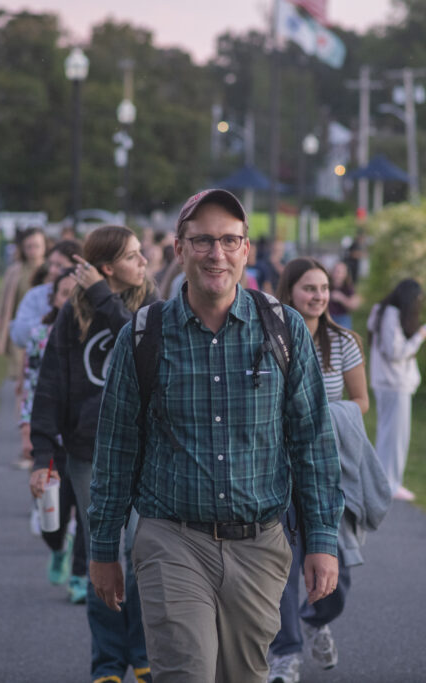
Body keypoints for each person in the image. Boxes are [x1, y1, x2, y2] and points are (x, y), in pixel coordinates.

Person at [86, 189, 343, 683]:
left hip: (260, 544)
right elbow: (116, 449)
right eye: (202, 240)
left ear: (247, 249)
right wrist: (102, 548)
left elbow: (312, 442)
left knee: (244, 675)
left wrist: (322, 540)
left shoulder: (284, 330)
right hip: (171, 539)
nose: (216, 254)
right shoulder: (143, 334)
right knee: (186, 673)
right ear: (179, 248)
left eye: (229, 240)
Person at [29, 225, 155, 683]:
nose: (144, 262)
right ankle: (107, 665)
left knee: (141, 554)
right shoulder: (72, 315)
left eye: (143, 254)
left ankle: (143, 655)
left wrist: (105, 298)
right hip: (87, 452)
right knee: (102, 553)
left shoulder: (151, 310)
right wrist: (43, 453)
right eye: (133, 256)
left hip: (143, 450)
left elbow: (141, 346)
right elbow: (51, 385)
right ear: (107, 268)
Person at [267, 258, 379, 683]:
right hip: (276, 469)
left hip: (329, 467)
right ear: (289, 291)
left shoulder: (345, 341)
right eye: (308, 288)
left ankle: (316, 620)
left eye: (323, 288)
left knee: (338, 570)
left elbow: (362, 402)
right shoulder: (271, 336)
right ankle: (286, 652)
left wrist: (317, 415)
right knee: (283, 567)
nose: (318, 296)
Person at [18, 269, 88, 600]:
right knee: (51, 521)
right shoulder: (40, 334)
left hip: (86, 444)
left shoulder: (96, 334)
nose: (71, 300)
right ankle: (59, 546)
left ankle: (79, 577)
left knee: (89, 515)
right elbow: (32, 386)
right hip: (51, 443)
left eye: (78, 293)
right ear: (54, 298)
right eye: (64, 293)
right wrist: (28, 431)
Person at [367, 278, 426, 502]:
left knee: (389, 435)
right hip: (394, 383)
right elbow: (396, 352)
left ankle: (384, 482)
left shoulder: (381, 311)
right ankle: (390, 484)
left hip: (388, 383)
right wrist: (419, 337)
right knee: (395, 438)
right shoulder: (390, 315)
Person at [0, 227, 48, 375]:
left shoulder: (50, 271)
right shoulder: (15, 271)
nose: (33, 251)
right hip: (20, 332)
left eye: (37, 246)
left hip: (44, 333)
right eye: (29, 247)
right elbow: (3, 306)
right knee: (20, 376)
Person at [9, 239, 82, 352]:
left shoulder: (88, 296)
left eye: (59, 266)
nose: (52, 270)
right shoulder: (36, 295)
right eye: (51, 264)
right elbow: (19, 336)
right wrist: (46, 320)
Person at [327, 261, 361, 330]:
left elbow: (354, 306)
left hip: (342, 318)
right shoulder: (327, 286)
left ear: (346, 274)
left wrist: (341, 298)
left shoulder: (348, 288)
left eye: (342, 272)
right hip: (328, 317)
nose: (338, 275)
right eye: (336, 271)